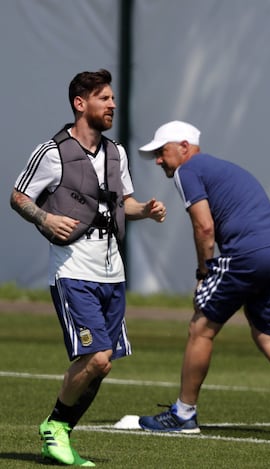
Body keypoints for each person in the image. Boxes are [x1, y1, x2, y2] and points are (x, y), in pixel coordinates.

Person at [10, 69, 166, 466]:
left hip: (112, 273)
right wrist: (44, 219)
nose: (112, 104)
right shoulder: (52, 152)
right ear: (81, 104)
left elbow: (123, 203)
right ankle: (55, 428)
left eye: (113, 98)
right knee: (96, 358)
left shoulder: (117, 152)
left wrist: (144, 210)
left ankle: (59, 431)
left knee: (104, 363)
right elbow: (18, 196)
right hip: (73, 268)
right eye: (104, 98)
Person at [137, 120, 270, 437]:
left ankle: (183, 414)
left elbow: (205, 228)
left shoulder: (188, 170)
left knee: (200, 327)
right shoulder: (225, 168)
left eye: (162, 151)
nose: (158, 160)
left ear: (184, 147)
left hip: (248, 255)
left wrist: (203, 272)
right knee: (267, 335)